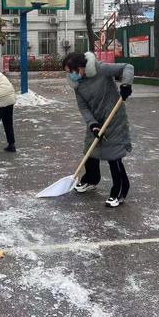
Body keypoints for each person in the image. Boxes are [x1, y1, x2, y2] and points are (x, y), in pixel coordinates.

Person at [63, 52, 134, 208]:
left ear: (81, 67)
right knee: (89, 150)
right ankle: (91, 179)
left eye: (71, 71)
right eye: (67, 72)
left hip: (114, 118)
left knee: (113, 154)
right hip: (96, 120)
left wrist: (126, 84)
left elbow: (127, 67)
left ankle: (119, 191)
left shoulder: (100, 69)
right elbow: (83, 106)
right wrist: (92, 124)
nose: (70, 75)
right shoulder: (78, 84)